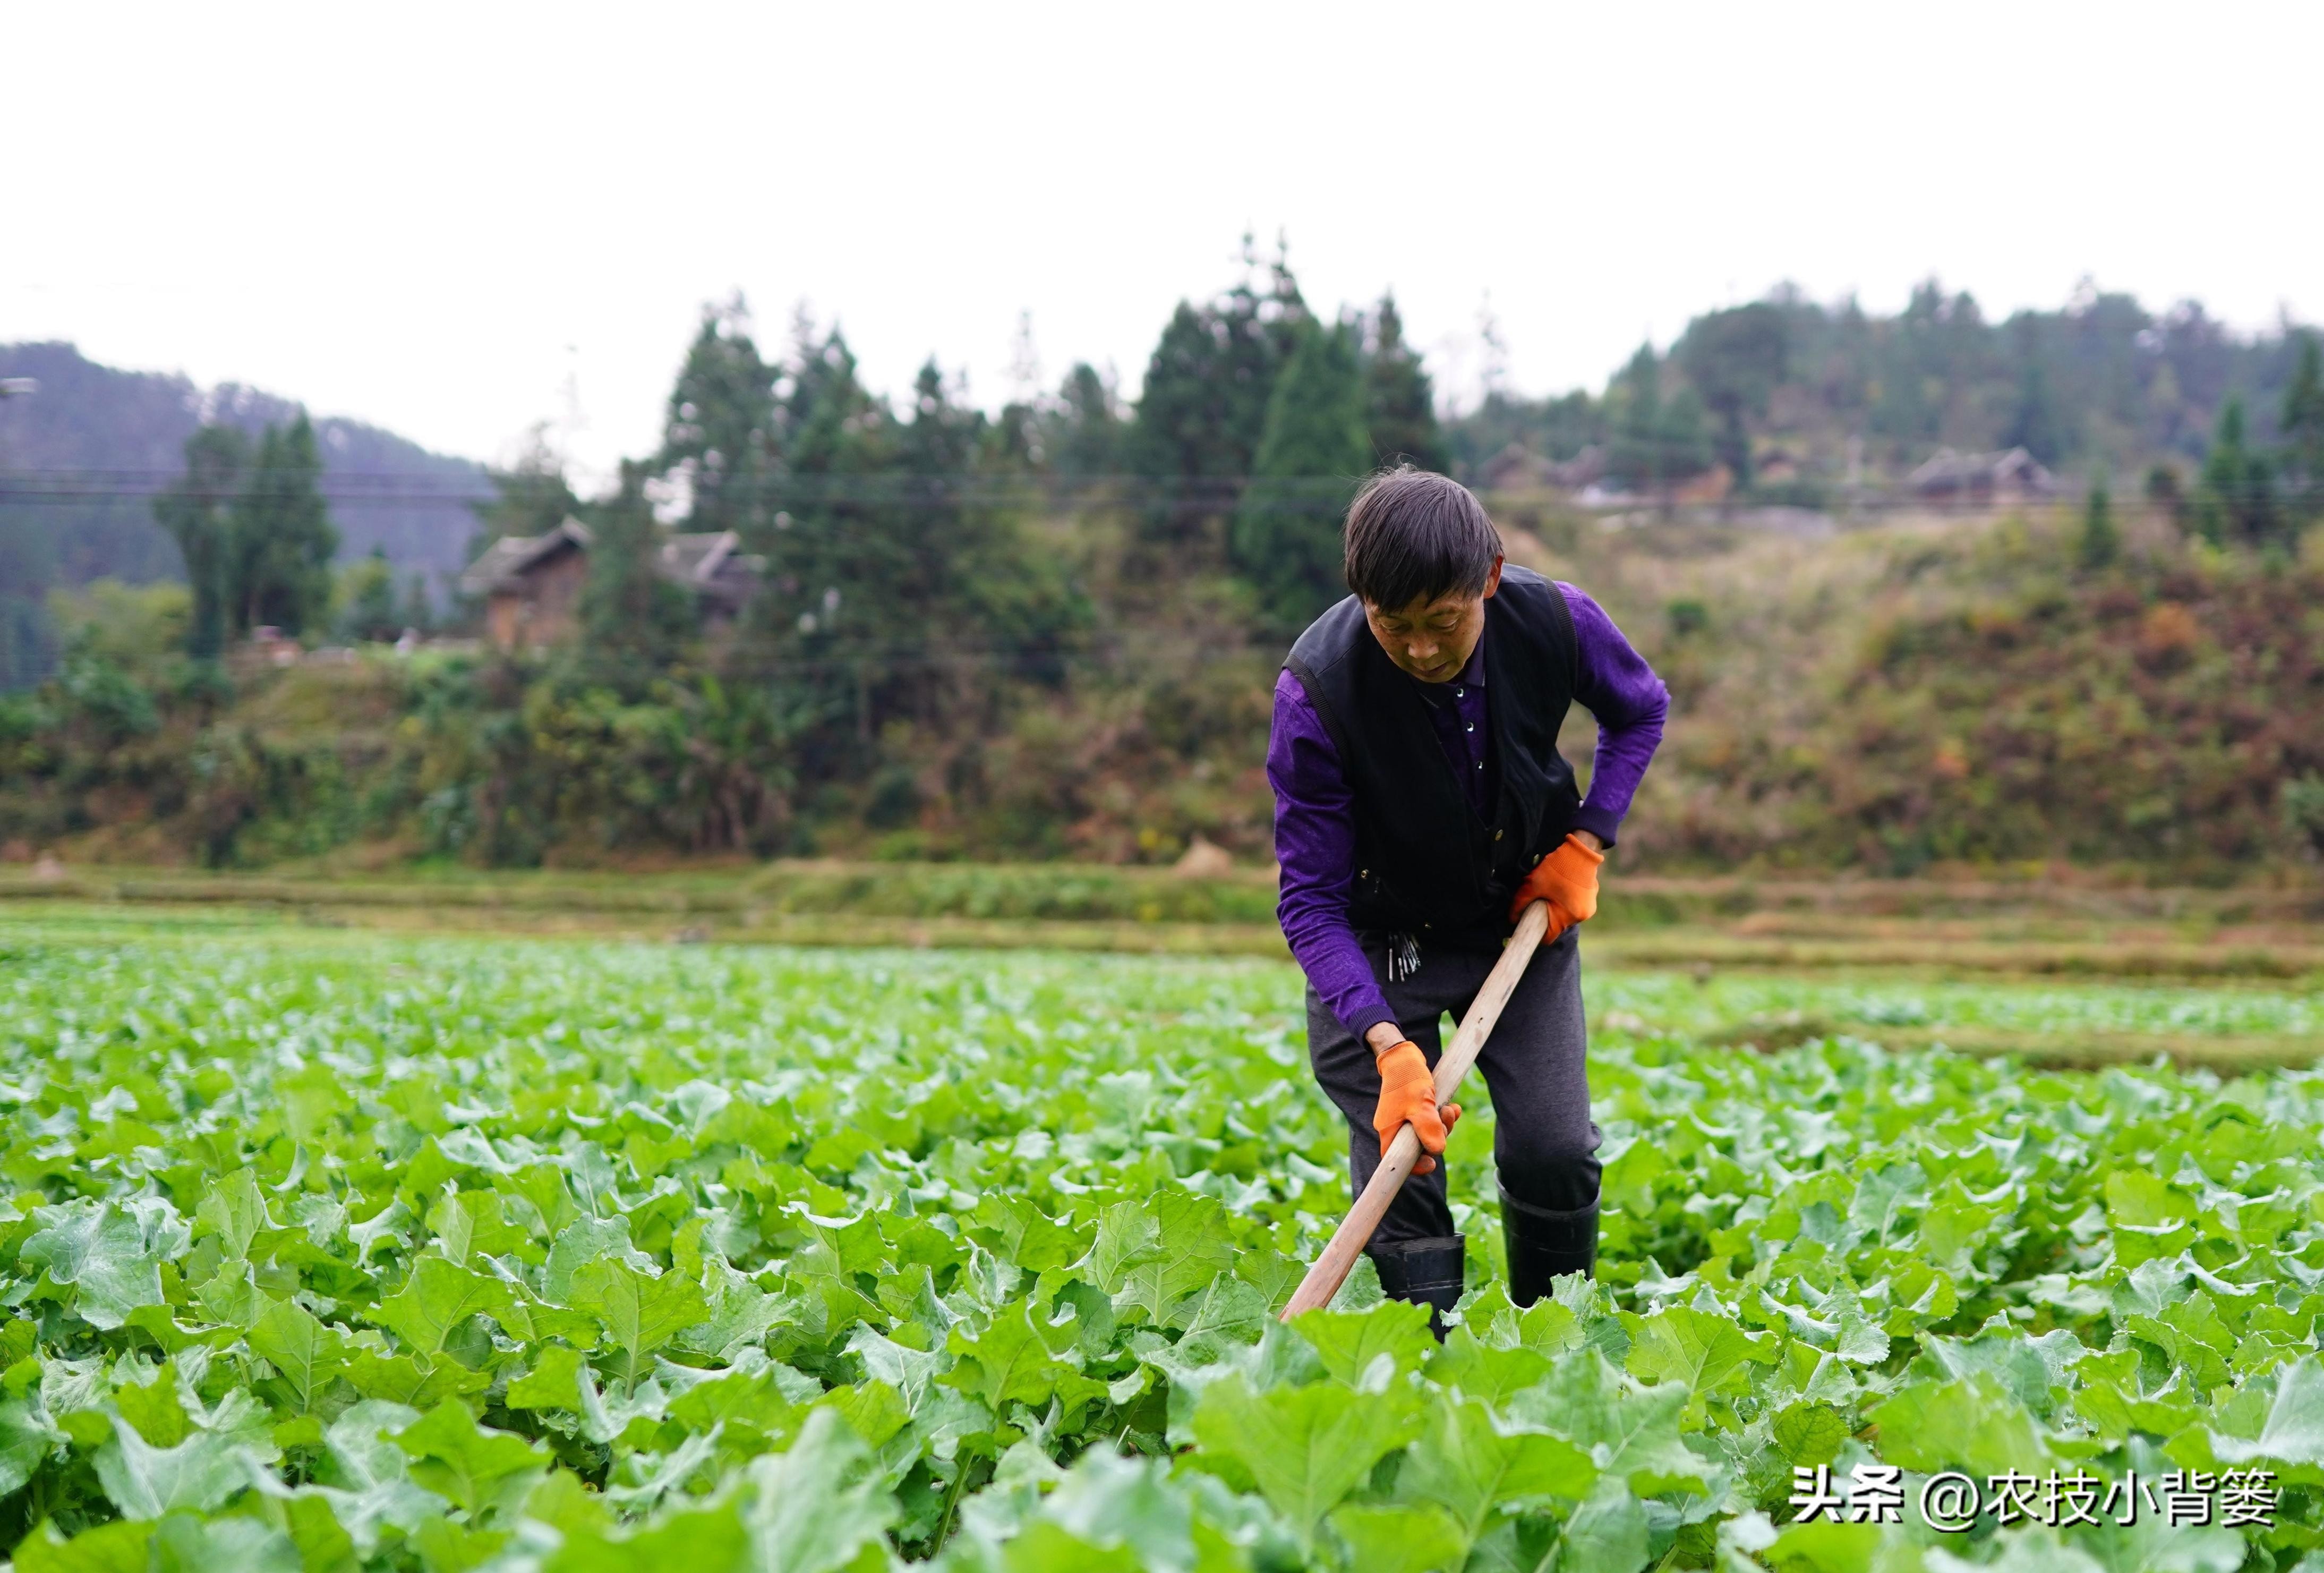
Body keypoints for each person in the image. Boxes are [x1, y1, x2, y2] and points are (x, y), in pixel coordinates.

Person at [1268, 465, 1667, 1323]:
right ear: (1360, 598)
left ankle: (1552, 1342)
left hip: (1520, 916)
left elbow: (1640, 710)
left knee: (1555, 1148)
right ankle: (1428, 1365)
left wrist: (1589, 838)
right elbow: (1308, 898)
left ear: (1487, 577)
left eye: (1443, 622)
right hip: (1380, 946)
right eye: (1393, 625)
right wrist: (1385, 1041)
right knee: (1403, 1169)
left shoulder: (1556, 620)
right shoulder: (1317, 692)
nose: (1419, 649)